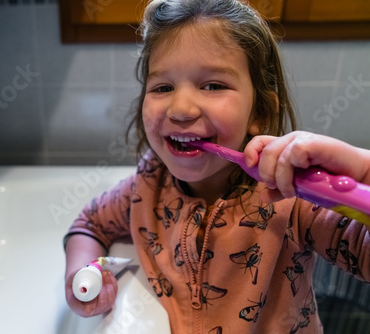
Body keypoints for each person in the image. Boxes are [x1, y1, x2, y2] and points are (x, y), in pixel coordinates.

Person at [63, 0, 370, 333]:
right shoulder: (147, 186)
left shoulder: (293, 197)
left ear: (259, 114)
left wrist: (365, 172)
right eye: (163, 87)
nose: (180, 109)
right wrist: (81, 272)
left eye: (213, 86)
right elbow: (89, 224)